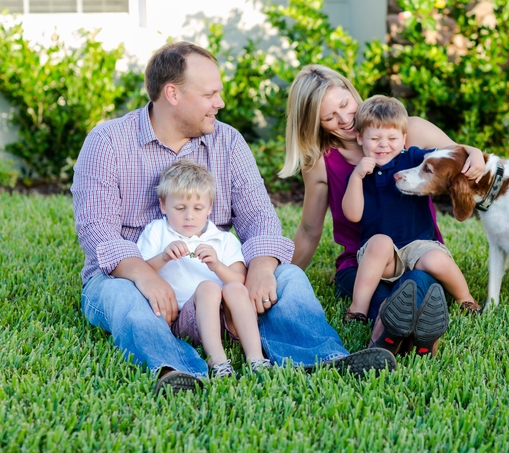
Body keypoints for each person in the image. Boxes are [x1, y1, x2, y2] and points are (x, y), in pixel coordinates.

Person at [71, 42, 396, 395]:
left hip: (217, 285)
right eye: (210, 94)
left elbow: (259, 216)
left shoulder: (228, 141)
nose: (220, 103)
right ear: (172, 94)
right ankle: (175, 372)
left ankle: (323, 358)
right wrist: (145, 277)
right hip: (137, 279)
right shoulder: (108, 141)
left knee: (286, 276)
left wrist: (259, 269)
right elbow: (96, 230)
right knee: (121, 296)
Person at [279, 64, 509, 356]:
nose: (345, 118)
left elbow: (468, 162)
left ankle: (399, 333)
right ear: (314, 124)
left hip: (420, 254)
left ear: (351, 91)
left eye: (345, 104)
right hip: (363, 265)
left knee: (418, 280)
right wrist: (283, 278)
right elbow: (308, 230)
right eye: (330, 117)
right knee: (380, 295)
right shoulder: (321, 162)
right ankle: (397, 332)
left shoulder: (410, 130)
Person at [342, 96, 478, 355]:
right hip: (383, 255)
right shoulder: (360, 172)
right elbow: (353, 214)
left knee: (437, 260)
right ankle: (357, 309)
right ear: (360, 138)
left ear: (404, 139)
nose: (384, 145)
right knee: (380, 241)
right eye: (375, 139)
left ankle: (466, 300)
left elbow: (450, 158)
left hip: (419, 245)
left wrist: (473, 153)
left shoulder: (415, 159)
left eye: (392, 139)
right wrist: (358, 176)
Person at [136, 159, 272, 377]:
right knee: (208, 287)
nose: (189, 216)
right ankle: (218, 362)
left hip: (227, 319)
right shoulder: (157, 232)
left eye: (198, 208)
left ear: (209, 207)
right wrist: (163, 257)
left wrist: (217, 265)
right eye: (180, 208)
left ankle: (256, 358)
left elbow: (240, 281)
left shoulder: (223, 239)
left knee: (234, 288)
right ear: (163, 205)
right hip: (185, 319)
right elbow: (140, 271)